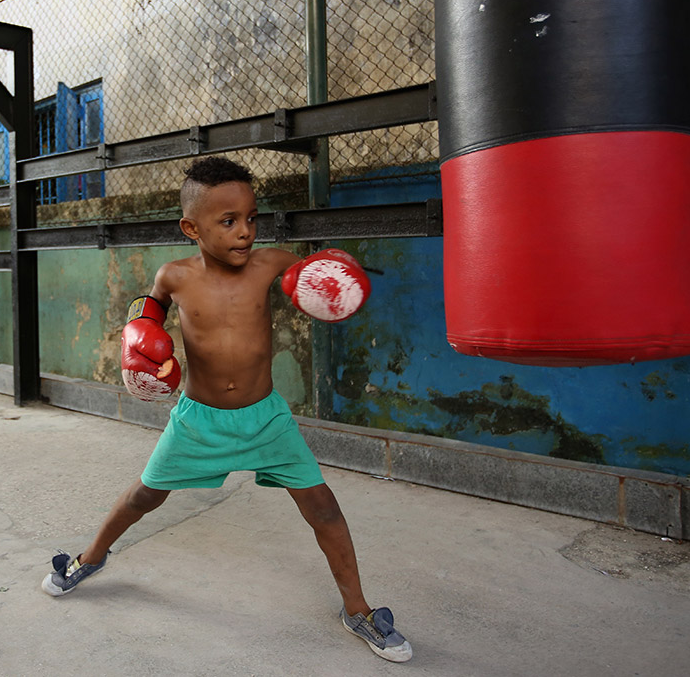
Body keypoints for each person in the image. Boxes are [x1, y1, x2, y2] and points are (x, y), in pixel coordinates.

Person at [41, 156, 412, 663]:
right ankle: (89, 558)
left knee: (323, 507)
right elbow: (147, 310)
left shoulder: (272, 263)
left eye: (252, 218)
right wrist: (139, 336)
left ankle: (358, 610)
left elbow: (316, 274)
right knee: (144, 495)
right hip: (199, 420)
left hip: (266, 418)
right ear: (191, 227)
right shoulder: (173, 276)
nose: (245, 232)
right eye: (228, 221)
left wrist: (332, 276)